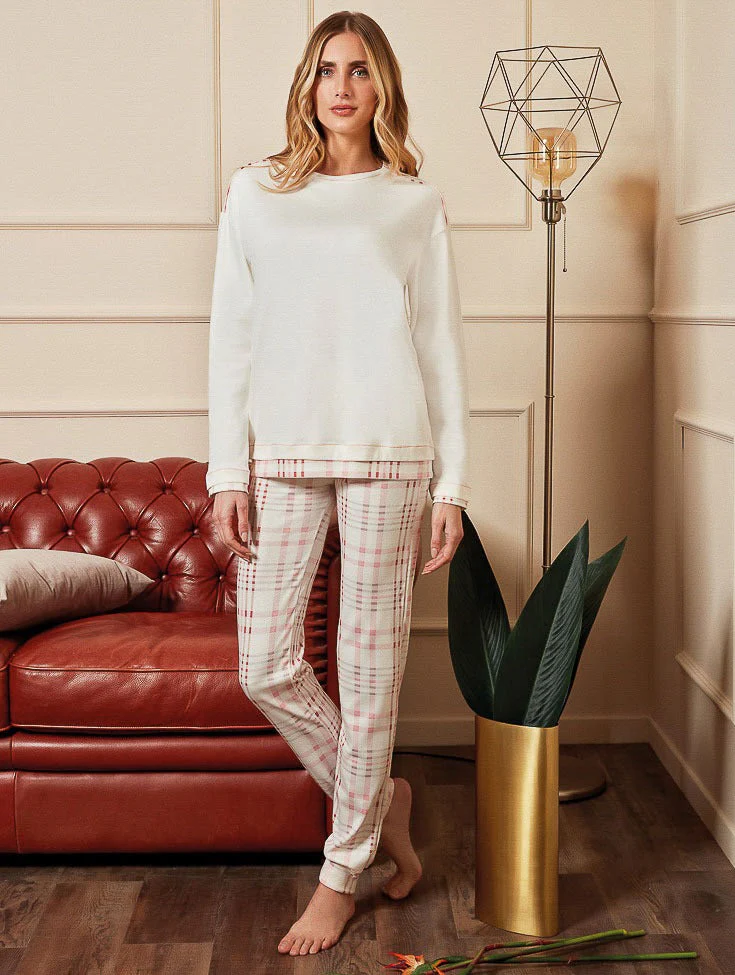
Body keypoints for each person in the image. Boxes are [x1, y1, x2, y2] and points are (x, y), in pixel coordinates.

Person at [205, 9, 471, 958]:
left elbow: (440, 349)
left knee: (369, 675)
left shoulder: (413, 204)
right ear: (306, 85)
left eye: (359, 70)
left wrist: (453, 484)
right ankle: (384, 799)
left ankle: (341, 871)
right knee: (265, 662)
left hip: (392, 454)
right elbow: (231, 340)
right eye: (326, 70)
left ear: (382, 85)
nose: (342, 87)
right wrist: (227, 469)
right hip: (281, 453)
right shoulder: (255, 193)